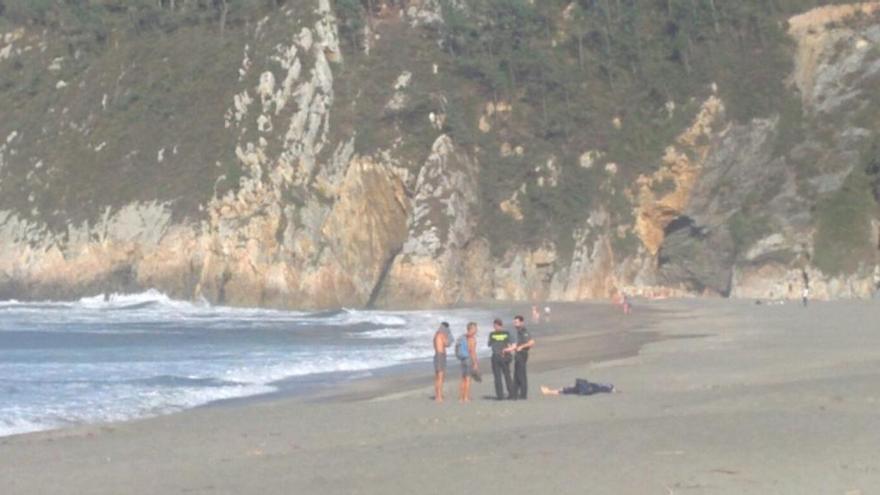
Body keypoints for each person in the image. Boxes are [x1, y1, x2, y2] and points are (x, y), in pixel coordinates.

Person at [487, 318, 515, 400]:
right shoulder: (507, 333)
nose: (494, 327)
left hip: (497, 356)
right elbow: (511, 344)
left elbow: (489, 344)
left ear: (497, 325)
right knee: (507, 375)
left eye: (494, 325)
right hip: (505, 355)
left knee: (498, 376)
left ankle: (500, 396)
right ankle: (511, 394)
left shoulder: (492, 334)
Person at [511, 315, 534, 400]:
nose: (514, 324)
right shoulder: (518, 331)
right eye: (514, 322)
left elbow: (531, 342)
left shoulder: (524, 330)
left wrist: (522, 347)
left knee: (521, 374)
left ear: (521, 322)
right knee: (516, 374)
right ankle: (515, 394)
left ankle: (523, 395)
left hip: (522, 354)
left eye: (516, 322)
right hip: (518, 354)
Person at [458, 322, 480, 403]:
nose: (477, 330)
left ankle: (461, 397)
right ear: (472, 328)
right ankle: (466, 398)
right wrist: (475, 363)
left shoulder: (462, 337)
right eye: (475, 328)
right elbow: (472, 352)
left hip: (462, 359)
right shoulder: (472, 338)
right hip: (468, 359)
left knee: (463, 378)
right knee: (468, 379)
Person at [433, 322, 453, 402]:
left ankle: (437, 395)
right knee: (440, 377)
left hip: (437, 355)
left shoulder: (435, 335)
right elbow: (446, 344)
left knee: (437, 377)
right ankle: (439, 396)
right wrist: (449, 338)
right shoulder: (441, 334)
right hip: (440, 356)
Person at [540, 378, 616, 396]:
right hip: (588, 388)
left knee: (568, 389)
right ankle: (549, 391)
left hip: (587, 388)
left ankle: (548, 391)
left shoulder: (607, 387)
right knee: (568, 389)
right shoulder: (607, 387)